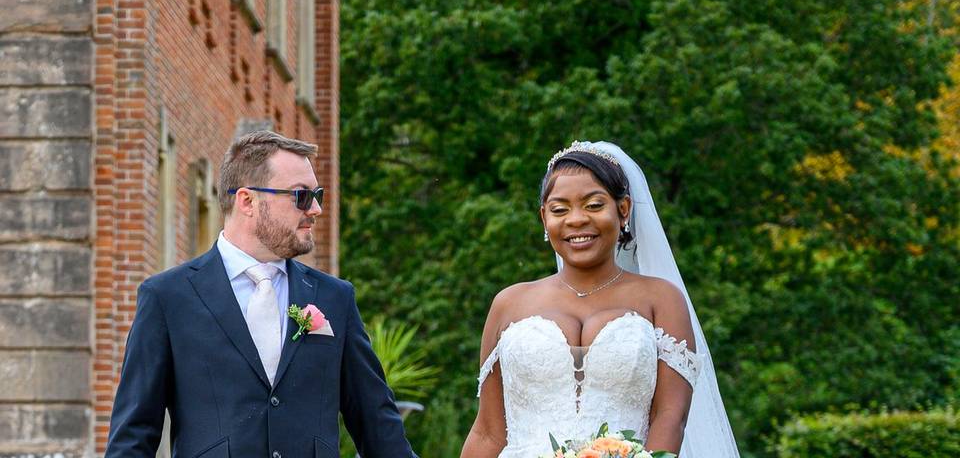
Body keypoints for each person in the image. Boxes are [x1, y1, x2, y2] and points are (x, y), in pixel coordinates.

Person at [105, 130, 417, 458]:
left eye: (317, 195)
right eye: (301, 196)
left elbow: (380, 430)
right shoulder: (168, 298)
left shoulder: (334, 298)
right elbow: (133, 438)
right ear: (248, 201)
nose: (315, 210)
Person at [460, 141, 739, 458]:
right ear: (543, 218)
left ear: (623, 210)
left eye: (593, 205)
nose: (576, 219)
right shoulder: (509, 303)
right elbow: (487, 432)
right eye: (560, 209)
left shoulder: (661, 300)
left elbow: (670, 418)